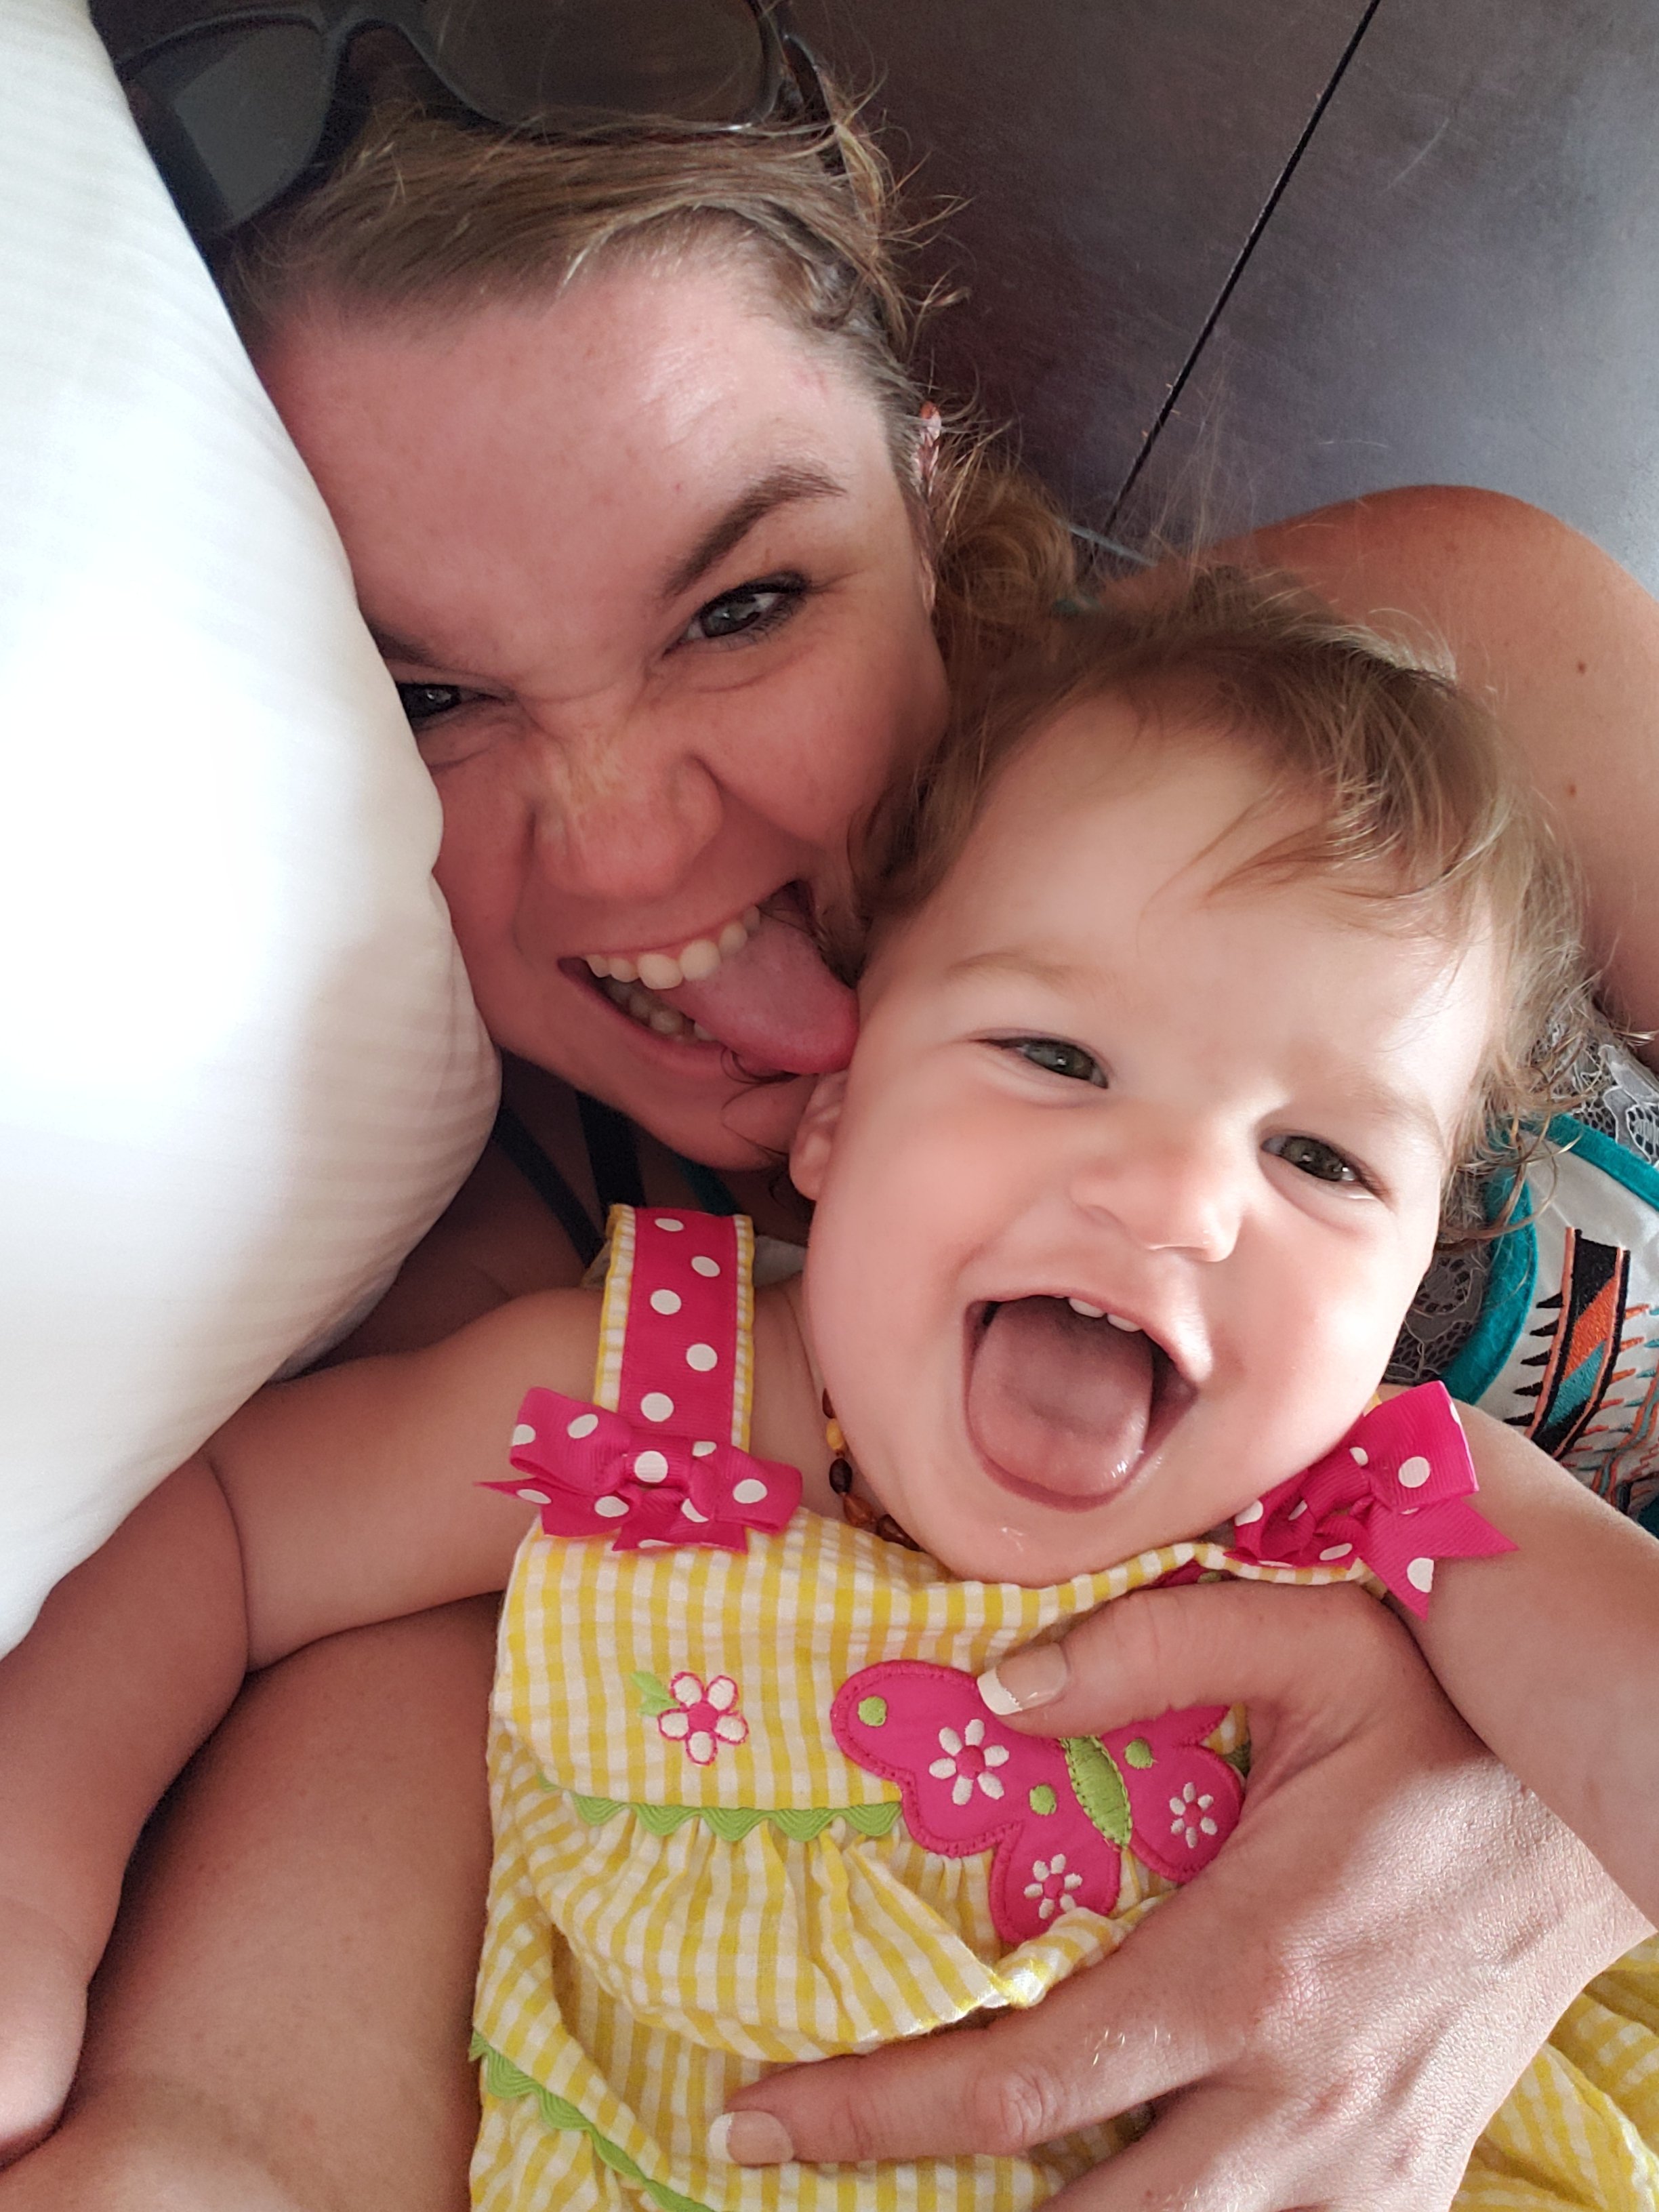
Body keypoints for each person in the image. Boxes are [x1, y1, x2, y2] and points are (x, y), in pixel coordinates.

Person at [12, 9, 1659, 2205]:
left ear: (926, 463)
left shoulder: (1415, 706)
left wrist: (1547, 1841)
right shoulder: (555, 1345)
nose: (627, 845)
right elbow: (234, 2107)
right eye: (428, 696)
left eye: (746, 601)